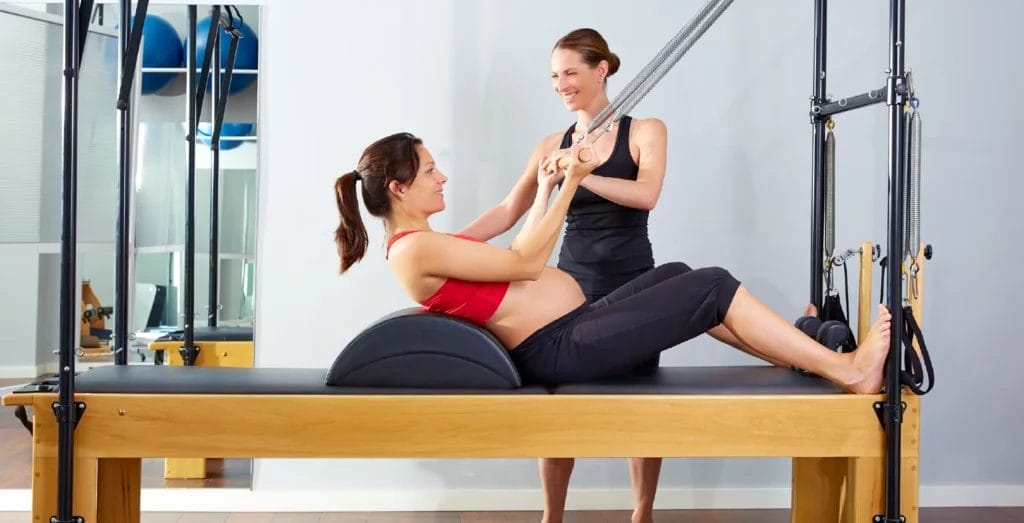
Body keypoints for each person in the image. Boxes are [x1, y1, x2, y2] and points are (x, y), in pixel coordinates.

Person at [333, 132, 892, 517]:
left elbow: (518, 244)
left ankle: (807, 360)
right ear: (400, 188)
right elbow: (526, 262)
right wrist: (572, 182)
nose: (442, 177)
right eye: (430, 170)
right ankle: (847, 370)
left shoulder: (424, 242)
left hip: (571, 329)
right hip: (559, 348)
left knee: (678, 275)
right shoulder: (414, 250)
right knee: (712, 285)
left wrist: (548, 188)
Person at [460, 27, 669, 523]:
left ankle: (642, 514)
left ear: (601, 70)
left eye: (570, 73)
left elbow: (646, 195)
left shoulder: (646, 131)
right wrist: (447, 244)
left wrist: (578, 173)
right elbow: (507, 211)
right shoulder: (551, 145)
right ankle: (551, 516)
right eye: (554, 76)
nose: (561, 85)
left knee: (640, 403)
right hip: (567, 287)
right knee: (559, 406)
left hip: (632, 281)